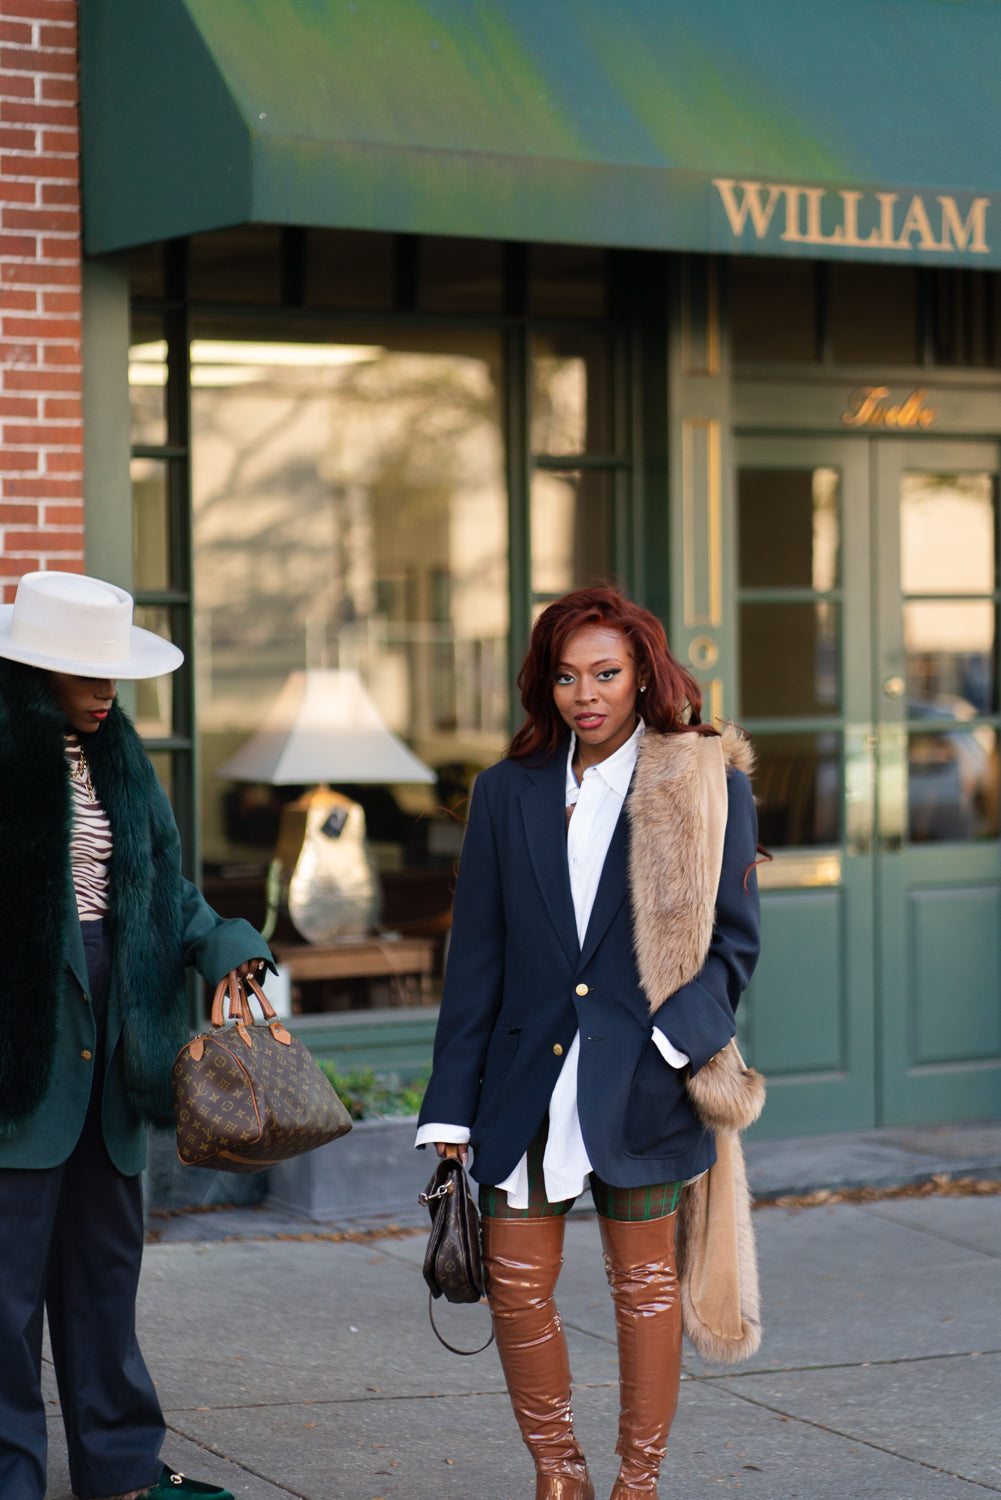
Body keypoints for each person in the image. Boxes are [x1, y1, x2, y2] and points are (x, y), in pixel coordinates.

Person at [416, 585, 761, 1500]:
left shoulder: (701, 782)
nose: (587, 694)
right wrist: (448, 1109)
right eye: (567, 677)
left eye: (605, 673)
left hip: (643, 1083)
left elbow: (733, 943)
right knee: (518, 1288)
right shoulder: (505, 792)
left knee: (644, 1291)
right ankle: (558, 1478)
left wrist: (674, 1045)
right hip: (524, 1081)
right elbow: (475, 966)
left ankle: (635, 1483)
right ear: (546, 685)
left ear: (642, 672)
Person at [0, 571, 274, 1500]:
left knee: (103, 1274)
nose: (109, 686)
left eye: (114, 668)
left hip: (117, 1038)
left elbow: (163, 884)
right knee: (4, 1296)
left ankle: (119, 1470)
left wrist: (227, 947)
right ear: (36, 664)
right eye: (89, 668)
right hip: (23, 1042)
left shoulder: (118, 754)